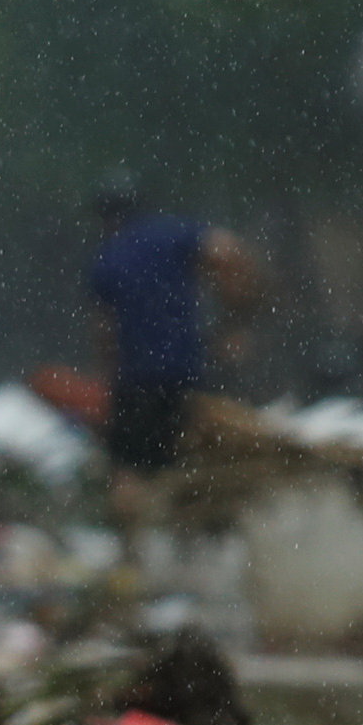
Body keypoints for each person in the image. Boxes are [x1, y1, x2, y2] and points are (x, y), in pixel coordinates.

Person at [86, 182, 257, 521]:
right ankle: (202, 529)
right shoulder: (171, 234)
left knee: (131, 467)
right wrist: (238, 313)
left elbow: (103, 332)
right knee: (196, 456)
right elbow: (227, 250)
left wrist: (111, 380)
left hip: (137, 380)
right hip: (188, 370)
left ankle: (139, 550)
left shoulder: (107, 257)